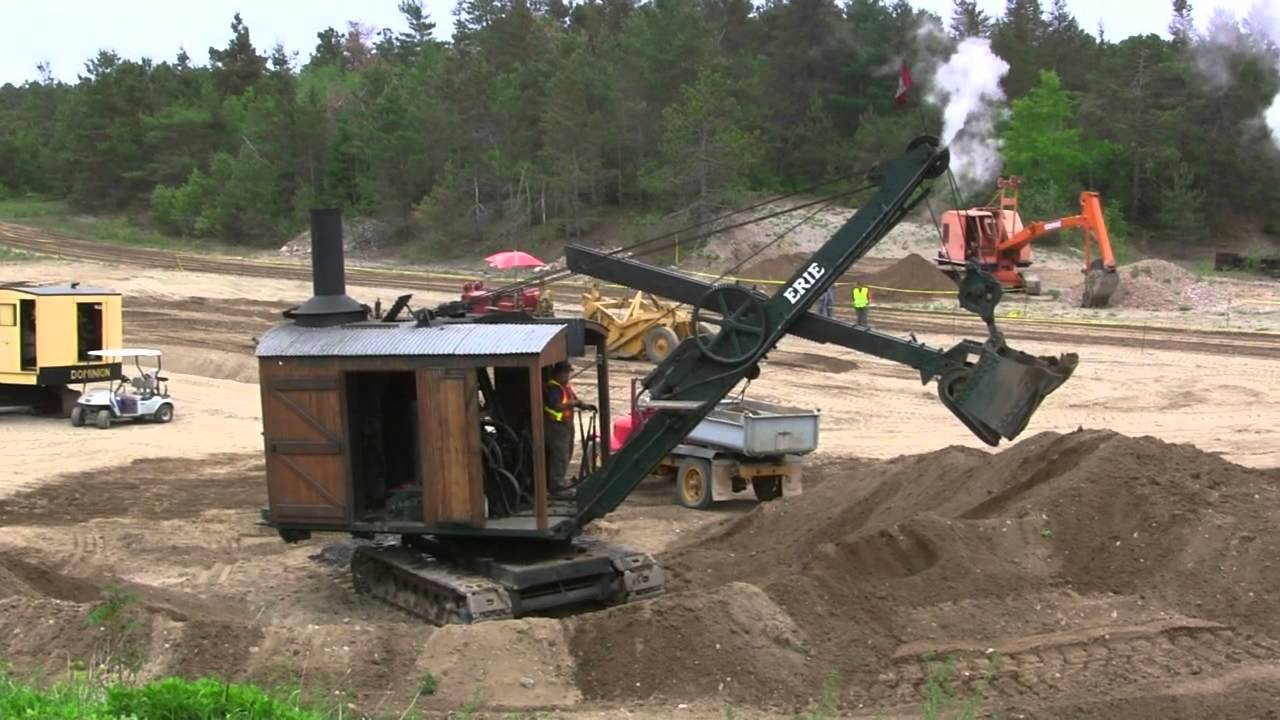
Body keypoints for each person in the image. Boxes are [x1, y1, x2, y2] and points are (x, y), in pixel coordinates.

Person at [543, 361, 594, 495]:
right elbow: (557, 406)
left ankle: (560, 482)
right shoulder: (553, 388)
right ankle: (556, 487)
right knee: (560, 456)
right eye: (566, 373)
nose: (568, 376)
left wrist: (585, 406)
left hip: (566, 425)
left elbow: (574, 401)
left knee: (567, 454)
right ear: (558, 373)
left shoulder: (565, 387)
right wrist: (575, 403)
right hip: (556, 426)